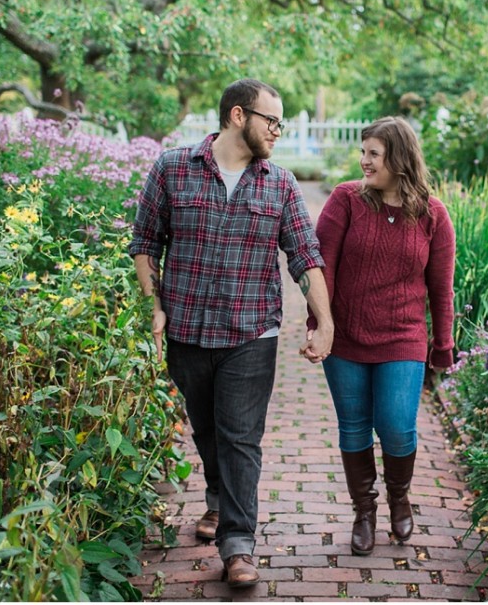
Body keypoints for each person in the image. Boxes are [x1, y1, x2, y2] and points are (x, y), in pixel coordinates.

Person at [129, 79, 334, 588]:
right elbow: (144, 242)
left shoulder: (279, 183)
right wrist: (154, 304)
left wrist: (324, 320)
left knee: (241, 439)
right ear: (239, 116)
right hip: (188, 329)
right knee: (208, 432)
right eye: (272, 121)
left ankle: (238, 546)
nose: (278, 132)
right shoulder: (173, 168)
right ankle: (218, 501)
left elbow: (305, 256)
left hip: (252, 331)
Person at [308, 116, 456, 556]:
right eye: (363, 152)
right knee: (353, 427)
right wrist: (319, 326)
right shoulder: (346, 200)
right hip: (347, 337)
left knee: (395, 426)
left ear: (399, 157)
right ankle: (364, 511)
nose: (364, 161)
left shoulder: (433, 215)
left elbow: (440, 288)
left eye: (374, 153)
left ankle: (399, 496)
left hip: (403, 337)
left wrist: (442, 346)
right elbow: (322, 268)